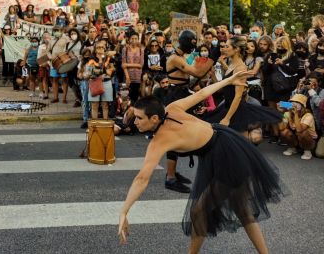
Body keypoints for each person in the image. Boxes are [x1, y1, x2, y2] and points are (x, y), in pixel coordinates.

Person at [118, 71, 286, 254]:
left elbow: (142, 179)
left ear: (155, 118)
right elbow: (201, 94)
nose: (135, 122)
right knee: (241, 209)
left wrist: (123, 212)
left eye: (139, 118)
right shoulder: (171, 109)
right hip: (224, 143)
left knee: (199, 212)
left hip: (226, 154)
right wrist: (228, 80)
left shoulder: (160, 138)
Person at [162, 30, 213, 193]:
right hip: (175, 97)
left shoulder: (182, 56)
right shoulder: (175, 58)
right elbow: (198, 72)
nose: (193, 49)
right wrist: (214, 57)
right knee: (174, 136)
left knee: (184, 133)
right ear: (184, 43)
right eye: (191, 45)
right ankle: (170, 178)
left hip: (182, 94)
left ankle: (172, 173)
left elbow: (191, 77)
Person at [203, 36, 282, 142]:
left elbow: (238, 96)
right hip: (227, 106)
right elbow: (223, 87)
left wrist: (227, 118)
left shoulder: (240, 67)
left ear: (236, 49)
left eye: (227, 46)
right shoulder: (231, 64)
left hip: (237, 110)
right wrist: (213, 75)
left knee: (240, 144)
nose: (224, 49)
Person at [280, 94, 317, 160]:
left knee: (303, 133)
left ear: (303, 106)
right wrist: (279, 112)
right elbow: (281, 128)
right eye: (292, 102)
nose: (293, 104)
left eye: (297, 102)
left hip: (309, 140)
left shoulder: (308, 115)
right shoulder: (288, 113)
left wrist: (296, 114)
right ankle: (292, 148)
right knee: (284, 132)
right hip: (297, 138)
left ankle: (307, 151)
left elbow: (299, 129)